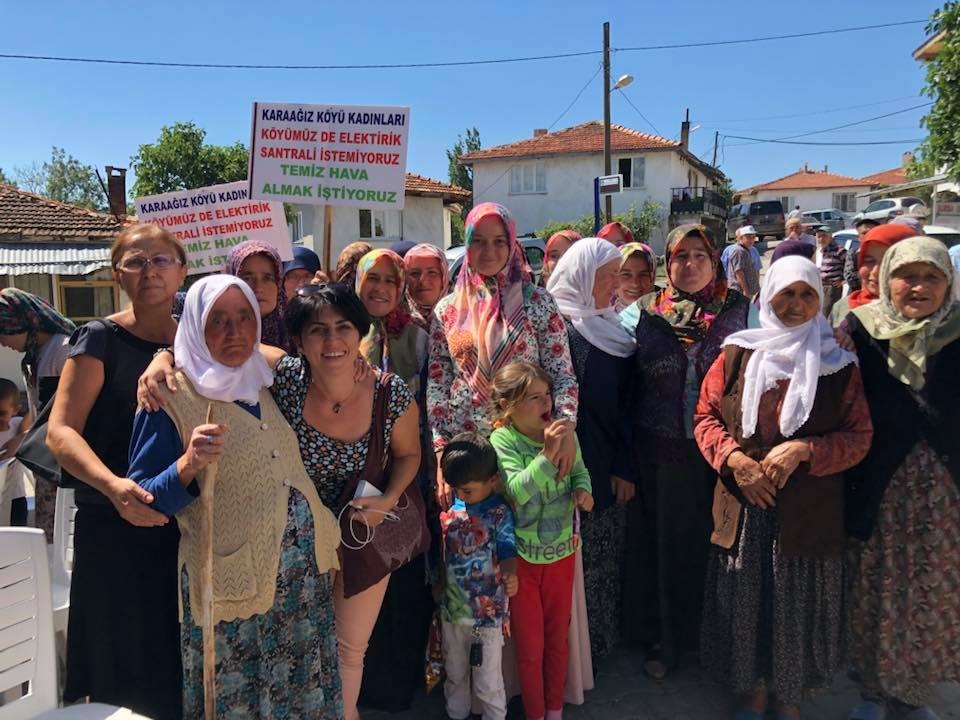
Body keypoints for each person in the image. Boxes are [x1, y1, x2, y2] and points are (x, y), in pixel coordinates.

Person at [127, 275, 343, 718]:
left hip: (301, 587)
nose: (235, 331)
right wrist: (188, 464)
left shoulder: (265, 380)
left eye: (245, 317)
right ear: (195, 326)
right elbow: (142, 498)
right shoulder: (169, 395)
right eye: (218, 320)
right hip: (233, 590)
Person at [693, 256, 873, 720]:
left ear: (820, 299)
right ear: (766, 297)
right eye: (785, 294)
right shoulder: (737, 354)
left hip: (808, 513)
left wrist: (805, 450)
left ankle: (788, 698)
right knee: (746, 599)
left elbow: (859, 437)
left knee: (795, 605)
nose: (795, 304)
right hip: (746, 509)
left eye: (806, 294)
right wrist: (735, 461)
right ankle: (752, 693)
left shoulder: (839, 364)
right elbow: (705, 417)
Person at [46, 223, 187, 718]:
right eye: (136, 262)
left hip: (183, 526)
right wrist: (113, 487)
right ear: (117, 274)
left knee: (175, 666)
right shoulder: (99, 339)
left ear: (182, 270)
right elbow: (61, 431)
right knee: (119, 676)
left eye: (161, 260)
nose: (150, 271)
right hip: (114, 524)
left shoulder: (198, 338)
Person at [275, 284, 421, 720]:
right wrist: (163, 358)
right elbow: (232, 351)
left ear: (360, 332)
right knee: (299, 644)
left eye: (343, 327)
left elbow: (409, 455)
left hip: (362, 534)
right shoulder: (286, 380)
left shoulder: (389, 393)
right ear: (299, 341)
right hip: (297, 541)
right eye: (317, 330)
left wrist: (387, 500)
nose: (332, 340)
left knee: (348, 648)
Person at [619, 223, 751, 680]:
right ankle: (666, 641)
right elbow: (621, 378)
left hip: (722, 453)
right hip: (661, 453)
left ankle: (712, 643)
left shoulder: (741, 310)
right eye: (680, 256)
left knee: (717, 546)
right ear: (667, 263)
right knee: (665, 548)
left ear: (715, 261)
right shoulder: (642, 312)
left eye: (700, 255)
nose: (690, 264)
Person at [844, 237, 960, 720]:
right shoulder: (861, 329)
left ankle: (912, 695)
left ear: (948, 284)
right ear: (886, 278)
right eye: (907, 275)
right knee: (875, 589)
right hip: (878, 486)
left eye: (932, 277)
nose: (918, 287)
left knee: (930, 592)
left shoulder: (957, 331)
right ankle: (871, 693)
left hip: (944, 494)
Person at [427, 202, 579, 509]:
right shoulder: (447, 310)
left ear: (511, 244)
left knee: (529, 534)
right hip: (469, 453)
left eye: (499, 241)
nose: (489, 251)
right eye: (478, 241)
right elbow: (438, 385)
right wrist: (442, 451)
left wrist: (563, 431)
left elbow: (562, 375)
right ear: (467, 245)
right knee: (475, 536)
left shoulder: (538, 303)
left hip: (528, 450)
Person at [546, 238, 637, 660]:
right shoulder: (552, 329)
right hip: (557, 469)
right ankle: (562, 655)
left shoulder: (616, 331)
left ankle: (595, 651)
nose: (616, 285)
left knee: (601, 560)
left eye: (619, 275)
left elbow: (629, 407)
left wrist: (625, 467)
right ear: (582, 277)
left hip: (604, 463)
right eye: (608, 276)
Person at [490, 361, 594, 720]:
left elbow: (580, 472)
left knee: (557, 643)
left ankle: (554, 711)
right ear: (507, 407)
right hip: (522, 562)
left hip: (562, 556)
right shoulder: (503, 440)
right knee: (530, 648)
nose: (546, 402)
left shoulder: (566, 434)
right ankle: (535, 713)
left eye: (546, 394)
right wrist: (548, 455)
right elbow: (517, 492)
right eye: (533, 397)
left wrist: (584, 491)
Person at [353, 248, 432, 713]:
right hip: (350, 476)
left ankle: (397, 683)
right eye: (373, 279)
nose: (381, 288)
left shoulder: (418, 338)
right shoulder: (340, 329)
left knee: (399, 576)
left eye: (390, 280)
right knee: (359, 575)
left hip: (405, 471)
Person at [438, 432, 519, 720]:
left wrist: (510, 573)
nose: (461, 496)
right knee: (454, 674)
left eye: (468, 490)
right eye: (456, 489)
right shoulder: (451, 512)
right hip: (452, 612)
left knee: (488, 682)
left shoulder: (499, 513)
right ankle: (455, 714)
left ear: (493, 480)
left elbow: (508, 550)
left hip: (487, 615)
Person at [0, 288, 75, 537]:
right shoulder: (37, 355)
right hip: (47, 463)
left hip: (65, 466)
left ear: (23, 325)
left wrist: (23, 440)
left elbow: (69, 411)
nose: (2, 343)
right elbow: (41, 409)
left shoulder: (63, 350)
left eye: (3, 333)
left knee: (64, 536)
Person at [830, 224, 915, 327]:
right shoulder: (843, 308)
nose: (875, 272)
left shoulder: (922, 312)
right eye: (869, 260)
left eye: (887, 262)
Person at [225, 239, 289, 350]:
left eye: (267, 278)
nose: (258, 288)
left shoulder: (300, 331)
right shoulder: (214, 340)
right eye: (247, 279)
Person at [0, 378, 28, 525]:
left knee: (17, 535)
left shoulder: (18, 426)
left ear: (15, 410)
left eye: (1, 413)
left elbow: (36, 415)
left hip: (15, 497)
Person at [404, 243, 450, 332]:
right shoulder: (394, 320)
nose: (423, 280)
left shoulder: (463, 315)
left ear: (444, 277)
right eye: (415, 273)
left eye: (432, 272)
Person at [615, 242, 657, 313]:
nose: (635, 284)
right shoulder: (600, 315)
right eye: (626, 274)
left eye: (643, 275)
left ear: (652, 278)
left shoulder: (668, 316)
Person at [814, 226, 846, 317]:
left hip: (831, 288)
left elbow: (850, 265)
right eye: (819, 236)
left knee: (826, 314)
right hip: (820, 286)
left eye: (824, 236)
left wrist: (843, 281)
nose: (821, 239)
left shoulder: (839, 250)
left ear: (830, 237)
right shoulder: (819, 251)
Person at [844, 219, 880, 294]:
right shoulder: (853, 253)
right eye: (864, 233)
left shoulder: (886, 252)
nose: (868, 235)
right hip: (858, 295)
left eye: (872, 232)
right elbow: (850, 278)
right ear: (858, 237)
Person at [725, 225, 761, 298]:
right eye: (748, 237)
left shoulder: (746, 249)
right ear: (741, 238)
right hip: (739, 291)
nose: (751, 240)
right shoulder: (739, 251)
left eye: (753, 237)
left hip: (745, 291)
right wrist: (746, 291)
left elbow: (756, 269)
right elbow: (739, 272)